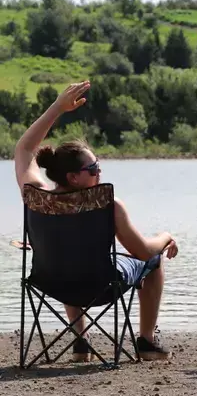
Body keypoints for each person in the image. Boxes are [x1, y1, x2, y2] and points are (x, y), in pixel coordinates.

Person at [13, 81, 177, 362]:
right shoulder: (108, 206)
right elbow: (144, 253)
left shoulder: (37, 197)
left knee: (66, 256)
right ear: (73, 177)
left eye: (98, 166)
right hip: (101, 284)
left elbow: (24, 149)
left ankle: (81, 342)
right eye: (93, 168)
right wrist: (166, 237)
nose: (99, 172)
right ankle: (147, 341)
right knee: (153, 265)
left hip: (51, 281)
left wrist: (57, 108)